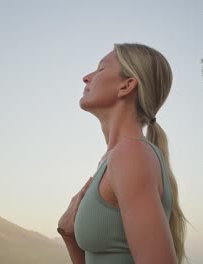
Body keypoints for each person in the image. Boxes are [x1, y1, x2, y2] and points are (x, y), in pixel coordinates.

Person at [57, 43, 187, 264]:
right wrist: (69, 236)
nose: (86, 77)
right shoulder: (115, 159)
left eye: (100, 69)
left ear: (126, 86)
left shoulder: (131, 154)